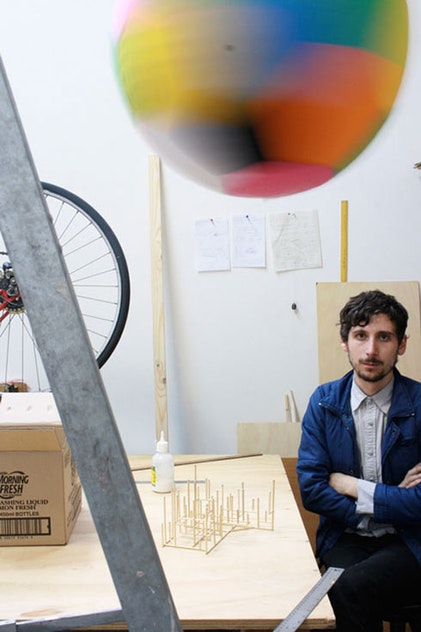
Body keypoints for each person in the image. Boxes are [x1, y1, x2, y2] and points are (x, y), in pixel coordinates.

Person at [297, 290, 421, 631]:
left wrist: (352, 486)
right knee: (347, 587)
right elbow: (312, 490)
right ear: (345, 342)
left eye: (384, 337)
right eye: (361, 336)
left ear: (402, 344)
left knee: (353, 587)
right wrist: (388, 500)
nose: (371, 350)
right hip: (346, 534)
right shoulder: (323, 402)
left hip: (411, 538)